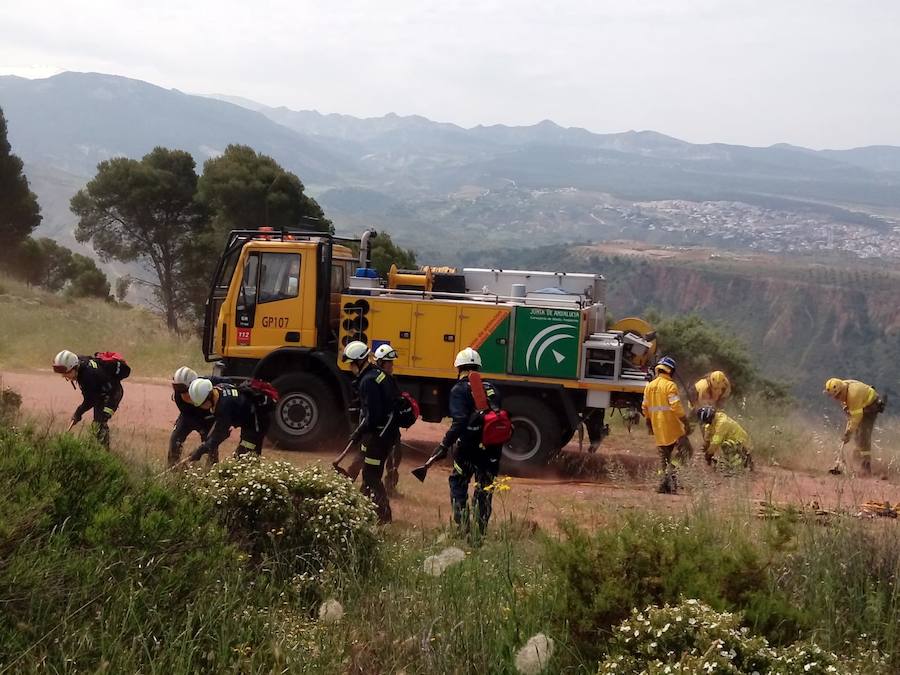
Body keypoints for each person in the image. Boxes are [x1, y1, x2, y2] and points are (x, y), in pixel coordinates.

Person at [432, 347, 503, 536]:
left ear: (458, 368)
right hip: (492, 449)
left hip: (469, 449)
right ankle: (480, 534)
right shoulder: (492, 388)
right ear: (478, 367)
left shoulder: (459, 389)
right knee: (485, 489)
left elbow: (460, 422)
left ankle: (463, 528)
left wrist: (444, 445)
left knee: (458, 482)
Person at [345, 340, 394, 524]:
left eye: (351, 363)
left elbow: (373, 415)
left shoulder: (368, 381)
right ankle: (362, 511)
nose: (351, 367)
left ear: (359, 361)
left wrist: (359, 432)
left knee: (371, 476)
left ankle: (384, 516)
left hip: (379, 436)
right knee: (369, 474)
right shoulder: (378, 375)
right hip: (385, 435)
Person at [184, 378, 274, 464]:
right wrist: (203, 447)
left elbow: (218, 435)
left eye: (201, 404)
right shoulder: (219, 388)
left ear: (208, 398)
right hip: (249, 420)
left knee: (244, 456)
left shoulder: (224, 407)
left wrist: (199, 452)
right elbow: (220, 430)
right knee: (246, 455)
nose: (201, 407)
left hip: (257, 423)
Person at [52, 349, 125, 448]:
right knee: (97, 424)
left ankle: (103, 454)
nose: (64, 376)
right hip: (99, 394)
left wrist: (78, 413)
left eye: (66, 373)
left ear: (74, 368)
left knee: (99, 423)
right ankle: (98, 449)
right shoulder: (79, 362)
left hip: (112, 394)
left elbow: (90, 401)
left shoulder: (87, 376)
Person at [642, 356, 691, 494]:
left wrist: (648, 423)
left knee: (663, 457)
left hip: (658, 427)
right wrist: (686, 423)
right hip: (672, 427)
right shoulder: (670, 386)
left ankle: (662, 485)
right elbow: (676, 406)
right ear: (671, 371)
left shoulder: (649, 386)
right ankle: (672, 475)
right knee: (686, 450)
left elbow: (645, 407)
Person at [823, 378, 885, 475]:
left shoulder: (853, 394)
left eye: (837, 396)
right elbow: (849, 410)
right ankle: (857, 458)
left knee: (863, 434)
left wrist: (848, 433)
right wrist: (847, 411)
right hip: (861, 405)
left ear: (841, 391)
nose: (835, 398)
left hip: (871, 406)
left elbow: (857, 417)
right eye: (833, 396)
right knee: (857, 435)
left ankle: (866, 465)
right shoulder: (843, 390)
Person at [168, 366, 226, 467]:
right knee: (175, 440)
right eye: (177, 388)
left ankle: (213, 471)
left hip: (208, 420)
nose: (182, 393)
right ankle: (173, 468)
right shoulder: (178, 395)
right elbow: (188, 415)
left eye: (183, 388)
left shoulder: (206, 383)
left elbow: (226, 381)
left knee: (211, 447)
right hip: (188, 417)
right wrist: (201, 429)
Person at [373, 343, 404, 495]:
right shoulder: (375, 380)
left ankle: (390, 487)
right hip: (379, 428)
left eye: (392, 362)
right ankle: (349, 481)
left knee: (396, 456)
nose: (391, 365)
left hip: (392, 427)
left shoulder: (390, 380)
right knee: (366, 458)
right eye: (388, 362)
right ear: (380, 362)